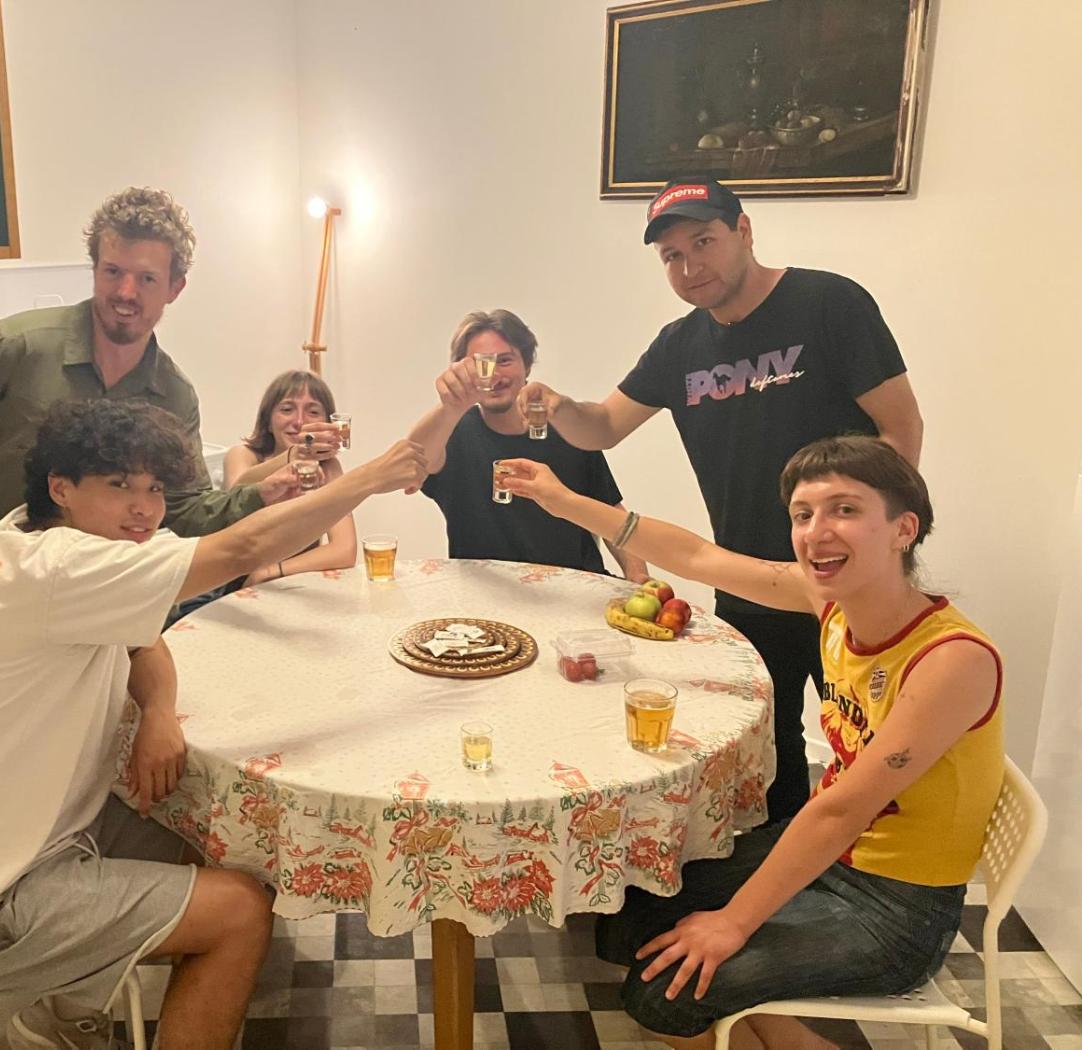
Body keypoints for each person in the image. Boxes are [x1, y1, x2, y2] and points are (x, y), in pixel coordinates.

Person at [0, 398, 426, 1050]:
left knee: (210, 829)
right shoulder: (60, 568)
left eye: (155, 489)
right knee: (240, 912)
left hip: (16, 846)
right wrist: (370, 476)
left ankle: (64, 1016)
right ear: (61, 487)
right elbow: (245, 546)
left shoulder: (35, 541)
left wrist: (159, 715)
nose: (143, 508)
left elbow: (146, 644)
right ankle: (76, 1009)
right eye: (119, 486)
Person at [500, 435, 1001, 1049]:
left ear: (904, 529)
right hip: (834, 860)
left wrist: (734, 924)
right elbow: (698, 556)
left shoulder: (950, 659)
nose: (816, 532)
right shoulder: (833, 605)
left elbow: (842, 809)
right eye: (803, 514)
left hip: (897, 908)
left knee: (664, 994)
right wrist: (566, 502)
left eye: (845, 510)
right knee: (630, 913)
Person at [519, 178, 924, 821]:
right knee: (769, 743)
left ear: (744, 231)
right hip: (745, 575)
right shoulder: (679, 346)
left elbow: (900, 429)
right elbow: (603, 428)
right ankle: (783, 865)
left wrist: (884, 550)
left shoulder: (829, 303)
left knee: (873, 745)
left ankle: (865, 872)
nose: (689, 267)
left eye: (703, 242)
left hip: (847, 578)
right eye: (672, 256)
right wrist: (562, 405)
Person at [0, 186, 295, 676]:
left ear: (174, 288)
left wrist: (259, 495)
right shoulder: (15, 347)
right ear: (94, 270)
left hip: (73, 616)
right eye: (113, 272)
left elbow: (182, 508)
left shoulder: (172, 396)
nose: (125, 293)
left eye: (146, 278)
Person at [407, 309, 647, 579]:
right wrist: (451, 406)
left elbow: (610, 510)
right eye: (480, 363)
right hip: (485, 595)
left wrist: (637, 576)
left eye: (504, 360)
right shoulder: (452, 432)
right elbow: (413, 460)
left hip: (572, 588)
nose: (493, 374)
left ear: (527, 365)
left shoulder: (568, 427)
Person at [222, 370, 355, 584]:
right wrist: (293, 455)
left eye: (313, 412)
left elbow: (344, 550)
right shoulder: (243, 455)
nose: (299, 421)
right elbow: (234, 497)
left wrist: (271, 571)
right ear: (268, 421)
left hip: (290, 579)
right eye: (287, 409)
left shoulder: (329, 468)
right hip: (232, 578)